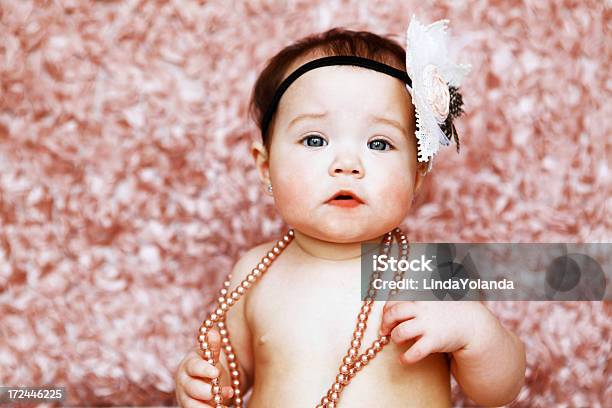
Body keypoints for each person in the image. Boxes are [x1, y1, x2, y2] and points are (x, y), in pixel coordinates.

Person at [175, 16, 526, 407]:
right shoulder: (255, 273)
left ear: (417, 175)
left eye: (379, 143)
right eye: (314, 139)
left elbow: (499, 392)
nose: (347, 163)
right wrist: (204, 385)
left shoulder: (434, 272)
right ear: (264, 166)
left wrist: (476, 333)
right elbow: (228, 375)